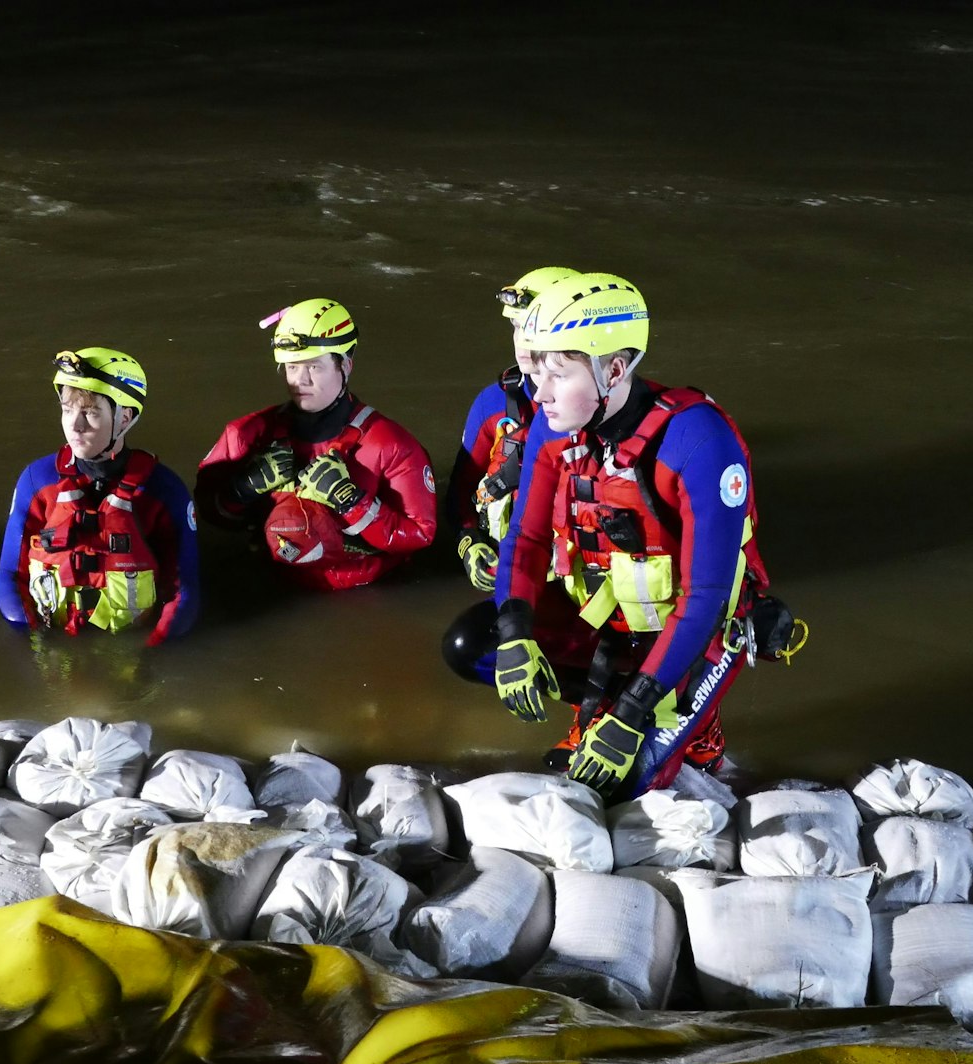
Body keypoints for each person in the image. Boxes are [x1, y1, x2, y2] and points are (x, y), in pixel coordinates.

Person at [482, 272, 805, 796]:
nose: (539, 392)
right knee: (476, 644)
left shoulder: (699, 441)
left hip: (701, 630)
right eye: (537, 370)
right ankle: (600, 704)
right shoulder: (551, 422)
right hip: (615, 616)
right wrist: (515, 635)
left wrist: (632, 714)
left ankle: (697, 727)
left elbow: (705, 598)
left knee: (621, 783)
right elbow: (526, 540)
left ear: (613, 370)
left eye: (558, 373)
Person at [193, 298, 436, 592]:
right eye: (292, 367)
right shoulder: (245, 435)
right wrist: (241, 489)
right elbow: (205, 511)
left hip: (365, 591)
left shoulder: (392, 446)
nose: (300, 380)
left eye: (314, 367)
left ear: (345, 365)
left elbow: (420, 535)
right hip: (274, 587)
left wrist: (350, 500)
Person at [0, 347, 198, 644]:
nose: (75, 425)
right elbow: (10, 575)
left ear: (124, 418)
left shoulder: (163, 491)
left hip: (131, 643)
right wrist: (35, 644)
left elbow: (184, 590)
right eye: (67, 410)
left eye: (90, 413)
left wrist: (152, 651)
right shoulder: (36, 481)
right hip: (52, 638)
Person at [447, 266, 575, 593]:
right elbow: (459, 494)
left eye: (532, 327)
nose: (521, 340)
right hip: (510, 570)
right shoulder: (493, 403)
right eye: (516, 326)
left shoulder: (599, 408)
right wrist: (470, 543)